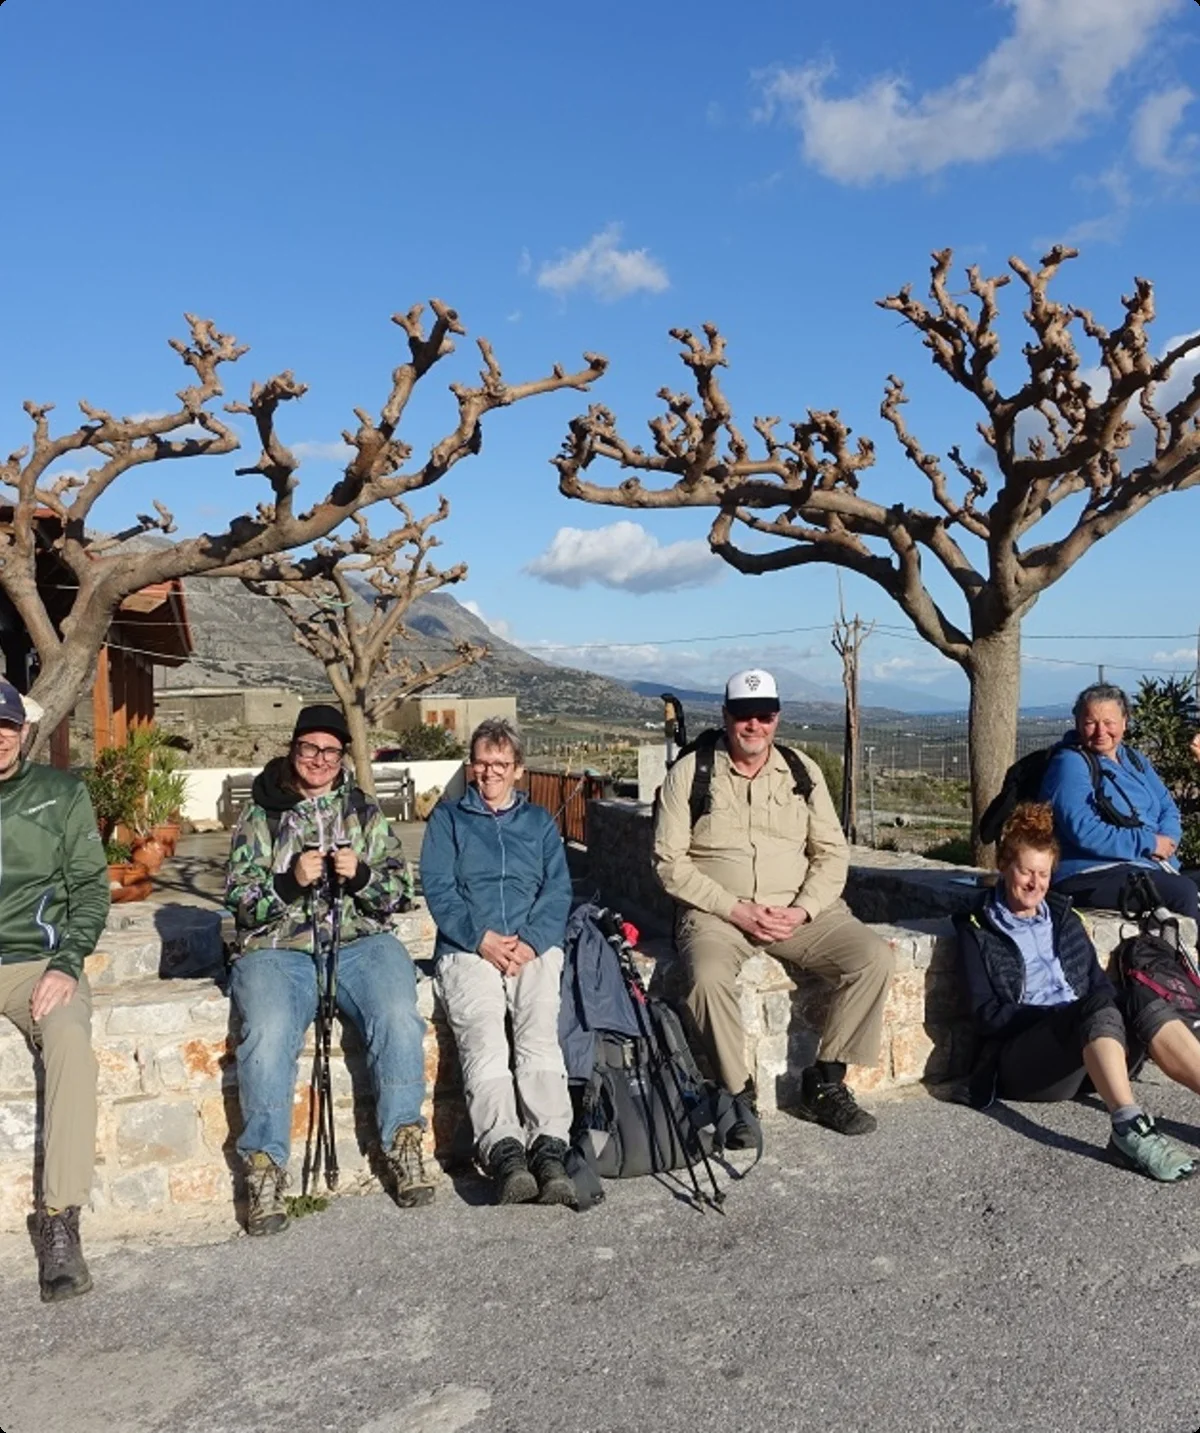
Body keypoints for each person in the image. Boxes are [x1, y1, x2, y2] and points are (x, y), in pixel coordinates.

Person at [654, 669, 894, 1141]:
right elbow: (668, 862)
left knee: (874, 958)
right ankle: (739, 1097)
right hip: (718, 914)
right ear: (726, 716)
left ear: (777, 718)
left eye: (764, 715)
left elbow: (831, 852)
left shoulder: (801, 771)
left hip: (798, 910)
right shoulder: (691, 771)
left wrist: (803, 909)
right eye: (744, 715)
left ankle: (824, 1084)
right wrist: (735, 909)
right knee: (705, 978)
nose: (754, 725)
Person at [225, 703, 433, 1234]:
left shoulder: (362, 810)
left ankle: (404, 1142)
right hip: (278, 949)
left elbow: (399, 892)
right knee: (267, 1033)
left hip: (359, 942)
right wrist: (287, 881)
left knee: (397, 1012)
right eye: (309, 748)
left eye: (330, 751)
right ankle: (266, 1168)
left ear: (343, 758)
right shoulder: (262, 812)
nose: (319, 760)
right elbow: (240, 901)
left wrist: (362, 875)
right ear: (293, 749)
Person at [955, 802, 1200, 1181]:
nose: (1036, 884)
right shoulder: (977, 927)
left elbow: (1098, 985)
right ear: (1004, 866)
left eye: (1044, 874)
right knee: (1095, 1006)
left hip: (1087, 1047)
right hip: (1026, 1060)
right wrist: (1059, 1016)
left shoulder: (1064, 917)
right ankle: (1127, 1127)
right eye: (1026, 872)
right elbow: (986, 1014)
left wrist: (1097, 1012)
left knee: (1138, 995)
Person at [420, 717, 576, 1207]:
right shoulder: (447, 821)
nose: (490, 773)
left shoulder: (539, 825)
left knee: (537, 1033)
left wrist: (529, 943)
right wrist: (481, 939)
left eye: (500, 765)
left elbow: (558, 891)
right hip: (469, 948)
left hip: (532, 945)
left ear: (519, 770)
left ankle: (550, 1147)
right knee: (484, 1035)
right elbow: (440, 893)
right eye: (482, 764)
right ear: (470, 767)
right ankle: (505, 1150)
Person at [0, 678, 110, 1300]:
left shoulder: (61, 794)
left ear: (23, 731)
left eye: (7, 726)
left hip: (38, 964)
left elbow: (91, 889)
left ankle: (60, 1220)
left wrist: (65, 963)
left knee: (69, 1041)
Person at [1040, 681, 1198, 921]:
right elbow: (1084, 830)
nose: (1100, 731)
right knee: (1182, 893)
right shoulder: (1070, 764)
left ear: (1125, 722)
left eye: (1109, 722)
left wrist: (1169, 839)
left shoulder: (1133, 759)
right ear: (1078, 723)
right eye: (1091, 722)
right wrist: (1148, 843)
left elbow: (1167, 806)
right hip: (1087, 873)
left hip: (1145, 865)